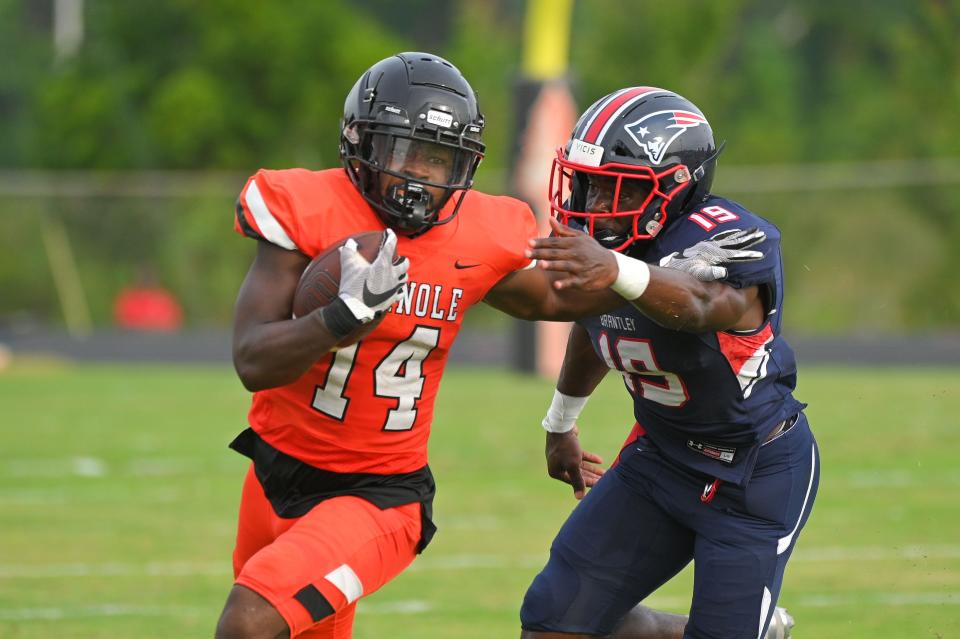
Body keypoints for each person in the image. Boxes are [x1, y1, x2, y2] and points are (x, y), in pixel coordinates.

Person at [216, 54, 762, 639]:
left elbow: (569, 299)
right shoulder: (305, 207)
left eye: (440, 159)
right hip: (272, 474)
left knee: (249, 621)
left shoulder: (479, 232)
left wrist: (677, 276)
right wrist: (340, 315)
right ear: (362, 144)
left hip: (377, 497)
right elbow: (253, 360)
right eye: (408, 153)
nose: (422, 176)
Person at [518, 87, 820, 639]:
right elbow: (593, 325)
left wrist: (613, 270)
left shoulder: (730, 236)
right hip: (660, 459)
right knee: (555, 619)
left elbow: (704, 305)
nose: (597, 203)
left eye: (617, 188)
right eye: (590, 183)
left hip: (751, 473)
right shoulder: (605, 245)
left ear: (675, 188)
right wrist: (561, 421)